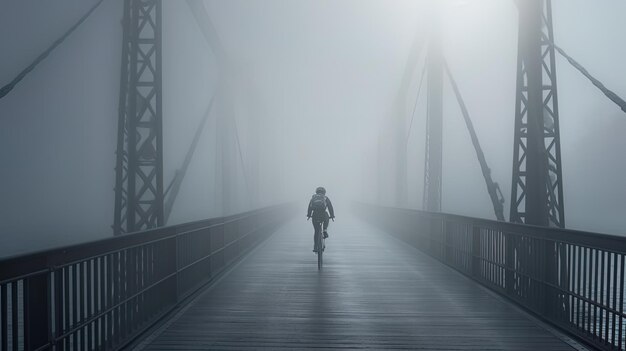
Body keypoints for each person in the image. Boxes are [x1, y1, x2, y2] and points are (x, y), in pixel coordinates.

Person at [307, 186, 335, 252]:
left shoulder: (313, 198)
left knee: (316, 231)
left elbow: (310, 207)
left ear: (316, 192)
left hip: (315, 215)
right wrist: (332, 216)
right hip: (323, 214)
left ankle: (315, 247)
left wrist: (309, 215)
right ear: (324, 192)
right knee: (326, 216)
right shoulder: (325, 198)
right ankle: (325, 229)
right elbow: (330, 207)